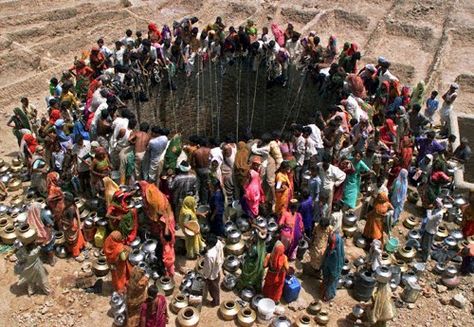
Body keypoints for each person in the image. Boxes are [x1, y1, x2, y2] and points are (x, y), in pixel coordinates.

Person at [320, 229, 345, 301]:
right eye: (330, 244)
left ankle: (329, 295)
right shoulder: (332, 245)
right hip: (329, 263)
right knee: (326, 276)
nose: (331, 246)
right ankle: (324, 289)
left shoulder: (338, 255)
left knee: (332, 280)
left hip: (335, 266)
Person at [202, 234, 225, 307]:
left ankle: (215, 301)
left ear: (209, 245)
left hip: (212, 275)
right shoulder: (218, 242)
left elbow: (208, 269)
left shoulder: (209, 255)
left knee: (213, 288)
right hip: (217, 268)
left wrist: (205, 276)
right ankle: (216, 299)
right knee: (216, 285)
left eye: (206, 243)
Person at [61, 192, 86, 259]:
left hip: (71, 226)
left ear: (69, 201)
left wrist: (64, 225)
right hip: (74, 224)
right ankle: (81, 246)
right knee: (78, 237)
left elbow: (71, 223)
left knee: (72, 241)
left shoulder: (70, 209)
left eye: (65, 200)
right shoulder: (72, 206)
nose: (64, 202)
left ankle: (76, 253)